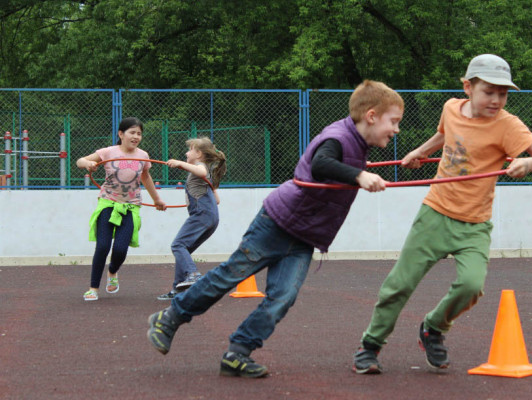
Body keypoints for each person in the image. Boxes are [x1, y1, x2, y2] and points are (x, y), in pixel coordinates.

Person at [146, 80, 404, 378]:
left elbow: (337, 165)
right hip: (277, 224)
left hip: (304, 236)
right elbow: (321, 165)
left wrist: (366, 167)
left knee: (282, 297)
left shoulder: (356, 143)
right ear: (371, 116)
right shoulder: (337, 137)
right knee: (230, 275)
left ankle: (237, 353)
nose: (396, 129)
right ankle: (170, 317)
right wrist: (359, 175)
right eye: (394, 122)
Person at [352, 54, 532, 374]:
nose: (496, 100)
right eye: (488, 91)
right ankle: (370, 346)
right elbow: (444, 135)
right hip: (435, 212)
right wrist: (421, 152)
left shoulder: (508, 125)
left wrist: (527, 163)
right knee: (400, 283)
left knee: (471, 285)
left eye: (502, 94)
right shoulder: (451, 108)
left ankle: (433, 328)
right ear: (468, 87)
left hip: (474, 224)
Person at [76, 117, 166, 301]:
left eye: (139, 133)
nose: (136, 137)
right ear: (121, 134)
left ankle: (112, 271)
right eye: (132, 132)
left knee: (120, 249)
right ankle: (93, 288)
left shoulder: (143, 155)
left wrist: (157, 199)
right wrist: (87, 164)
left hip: (131, 206)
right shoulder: (108, 152)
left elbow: (146, 178)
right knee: (102, 246)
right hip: (108, 203)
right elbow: (80, 161)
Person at [157, 137, 227, 301]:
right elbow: (216, 200)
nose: (186, 153)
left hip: (202, 214)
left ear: (199, 154)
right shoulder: (205, 172)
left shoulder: (201, 167)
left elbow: (201, 171)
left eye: (190, 150)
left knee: (178, 244)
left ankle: (194, 275)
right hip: (211, 217)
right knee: (184, 249)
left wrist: (179, 163)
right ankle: (178, 288)